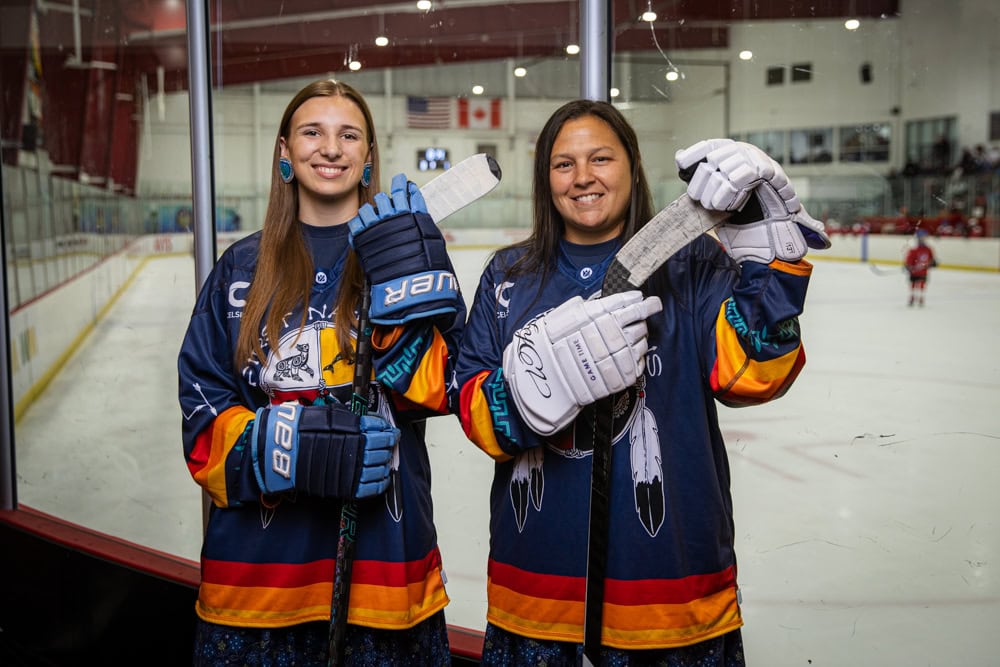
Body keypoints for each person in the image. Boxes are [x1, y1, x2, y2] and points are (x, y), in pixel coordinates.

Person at [453, 100, 830, 665]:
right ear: (544, 179)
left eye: (601, 158)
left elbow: (752, 377)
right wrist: (534, 392)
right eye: (563, 164)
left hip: (672, 593)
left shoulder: (693, 262)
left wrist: (766, 268)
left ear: (631, 165)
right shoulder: (508, 276)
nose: (583, 177)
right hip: (535, 594)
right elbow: (475, 414)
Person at [178, 79, 463, 665]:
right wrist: (288, 449)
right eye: (313, 132)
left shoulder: (408, 252)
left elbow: (447, 389)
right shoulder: (241, 266)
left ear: (367, 158)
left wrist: (402, 295)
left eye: (348, 134)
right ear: (285, 152)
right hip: (257, 585)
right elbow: (200, 416)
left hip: (385, 577)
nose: (330, 148)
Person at [904, 229, 937, 306]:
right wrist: (908, 266)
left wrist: (933, 263)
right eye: (921, 237)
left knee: (922, 284)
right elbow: (909, 260)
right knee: (913, 285)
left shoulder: (928, 249)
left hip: (923, 271)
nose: (923, 239)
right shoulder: (914, 250)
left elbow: (932, 259)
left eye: (924, 237)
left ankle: (921, 298)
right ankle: (912, 297)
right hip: (914, 272)